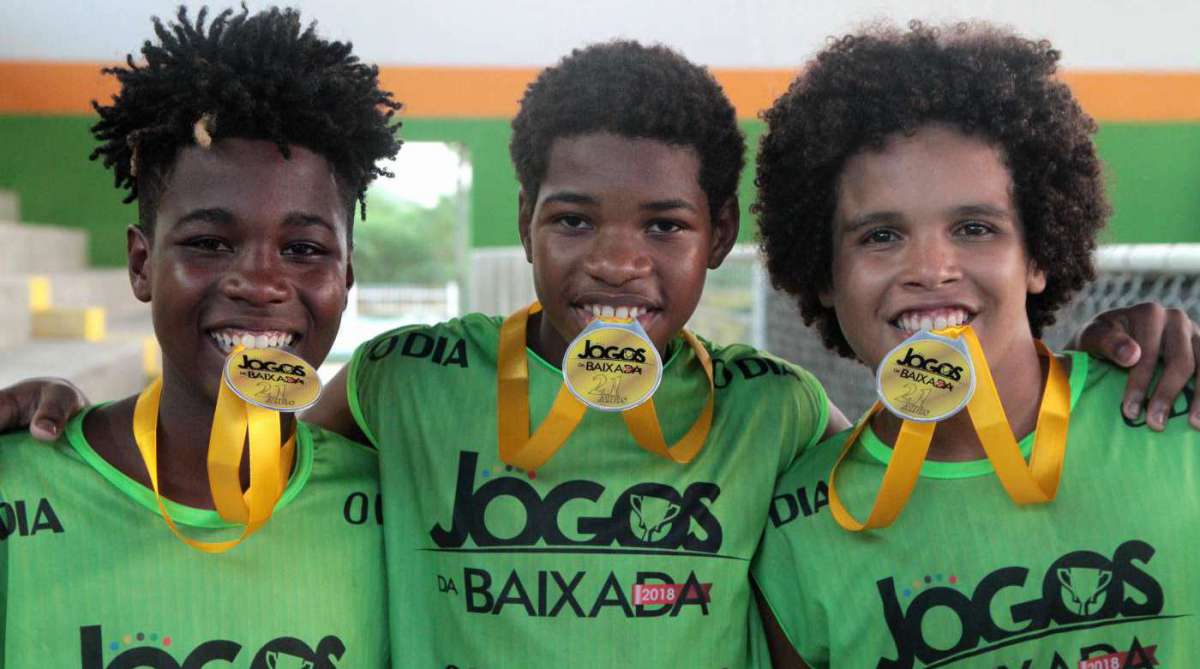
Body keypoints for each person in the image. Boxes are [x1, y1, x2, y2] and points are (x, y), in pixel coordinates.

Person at [0, 33, 1194, 669]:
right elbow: (227, 452)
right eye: (573, 220)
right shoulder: (410, 385)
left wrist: (1122, 344)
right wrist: (69, 407)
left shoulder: (774, 417)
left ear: (721, 238)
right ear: (524, 225)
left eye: (664, 228)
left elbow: (920, 471)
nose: (618, 264)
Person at [751, 22, 1199, 668]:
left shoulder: (1177, 418)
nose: (931, 268)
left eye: (973, 227)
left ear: (1038, 253)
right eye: (880, 236)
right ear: (824, 275)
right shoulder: (797, 530)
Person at [0, 6, 399, 666]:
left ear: (346, 276)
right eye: (210, 242)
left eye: (304, 247)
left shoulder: (391, 506)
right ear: (141, 265)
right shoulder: (18, 488)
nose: (261, 282)